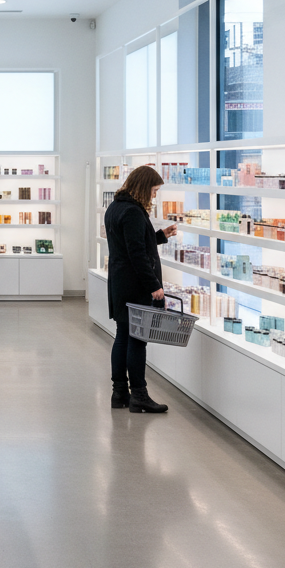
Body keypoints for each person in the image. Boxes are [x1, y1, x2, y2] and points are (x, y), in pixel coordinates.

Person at [104, 164, 178, 413]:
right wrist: (154, 286)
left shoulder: (116, 207)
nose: (154, 195)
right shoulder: (134, 212)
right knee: (137, 340)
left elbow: (131, 243)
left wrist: (159, 235)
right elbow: (137, 254)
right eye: (154, 190)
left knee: (123, 337)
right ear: (144, 188)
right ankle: (140, 395)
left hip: (120, 284)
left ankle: (119, 393)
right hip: (135, 286)